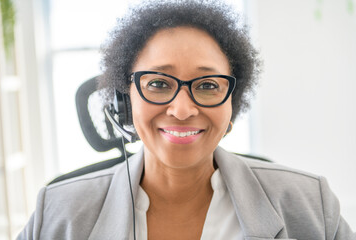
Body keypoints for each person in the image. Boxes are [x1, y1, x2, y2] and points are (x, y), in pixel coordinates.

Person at [18, 1, 355, 239]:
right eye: (159, 84)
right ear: (125, 100)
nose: (181, 110)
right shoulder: (56, 215)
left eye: (207, 85)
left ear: (231, 106)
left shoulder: (311, 206)